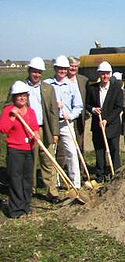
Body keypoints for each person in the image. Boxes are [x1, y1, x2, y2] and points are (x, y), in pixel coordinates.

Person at [0, 81, 40, 218]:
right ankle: (16, 210)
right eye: (19, 96)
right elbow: (3, 129)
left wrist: (36, 134)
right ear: (13, 97)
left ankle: (25, 206)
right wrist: (12, 116)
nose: (22, 98)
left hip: (29, 149)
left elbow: (35, 126)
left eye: (24, 95)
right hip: (15, 150)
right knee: (16, 179)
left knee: (27, 179)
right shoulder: (8, 111)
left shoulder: (30, 111)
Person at [44, 55, 83, 189]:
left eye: (64, 69)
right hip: (50, 124)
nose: (62, 71)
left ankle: (75, 184)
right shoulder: (47, 84)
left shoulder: (72, 86)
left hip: (66, 123)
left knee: (71, 152)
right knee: (52, 154)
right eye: (59, 68)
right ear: (55, 68)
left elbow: (78, 105)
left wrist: (71, 115)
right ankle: (55, 183)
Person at [25, 57, 61, 203]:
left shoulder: (48, 88)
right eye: (34, 72)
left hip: (44, 128)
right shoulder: (22, 88)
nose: (37, 75)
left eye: (39, 72)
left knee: (48, 161)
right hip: (27, 130)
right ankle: (29, 190)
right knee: (30, 162)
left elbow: (53, 112)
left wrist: (55, 132)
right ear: (29, 71)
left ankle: (51, 191)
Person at [86, 61, 123, 182]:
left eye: (107, 74)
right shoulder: (92, 89)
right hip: (97, 126)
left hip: (112, 126)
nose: (105, 76)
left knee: (114, 150)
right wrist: (92, 109)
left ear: (110, 74)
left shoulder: (116, 89)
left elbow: (118, 107)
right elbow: (86, 104)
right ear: (99, 74)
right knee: (99, 151)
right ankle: (100, 175)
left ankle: (115, 173)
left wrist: (107, 120)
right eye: (102, 74)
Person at [67, 57, 88, 152]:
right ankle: (63, 165)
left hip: (79, 117)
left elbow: (87, 98)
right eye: (71, 66)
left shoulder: (83, 80)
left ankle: (80, 165)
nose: (73, 68)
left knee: (79, 142)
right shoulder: (62, 80)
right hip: (65, 117)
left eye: (76, 66)